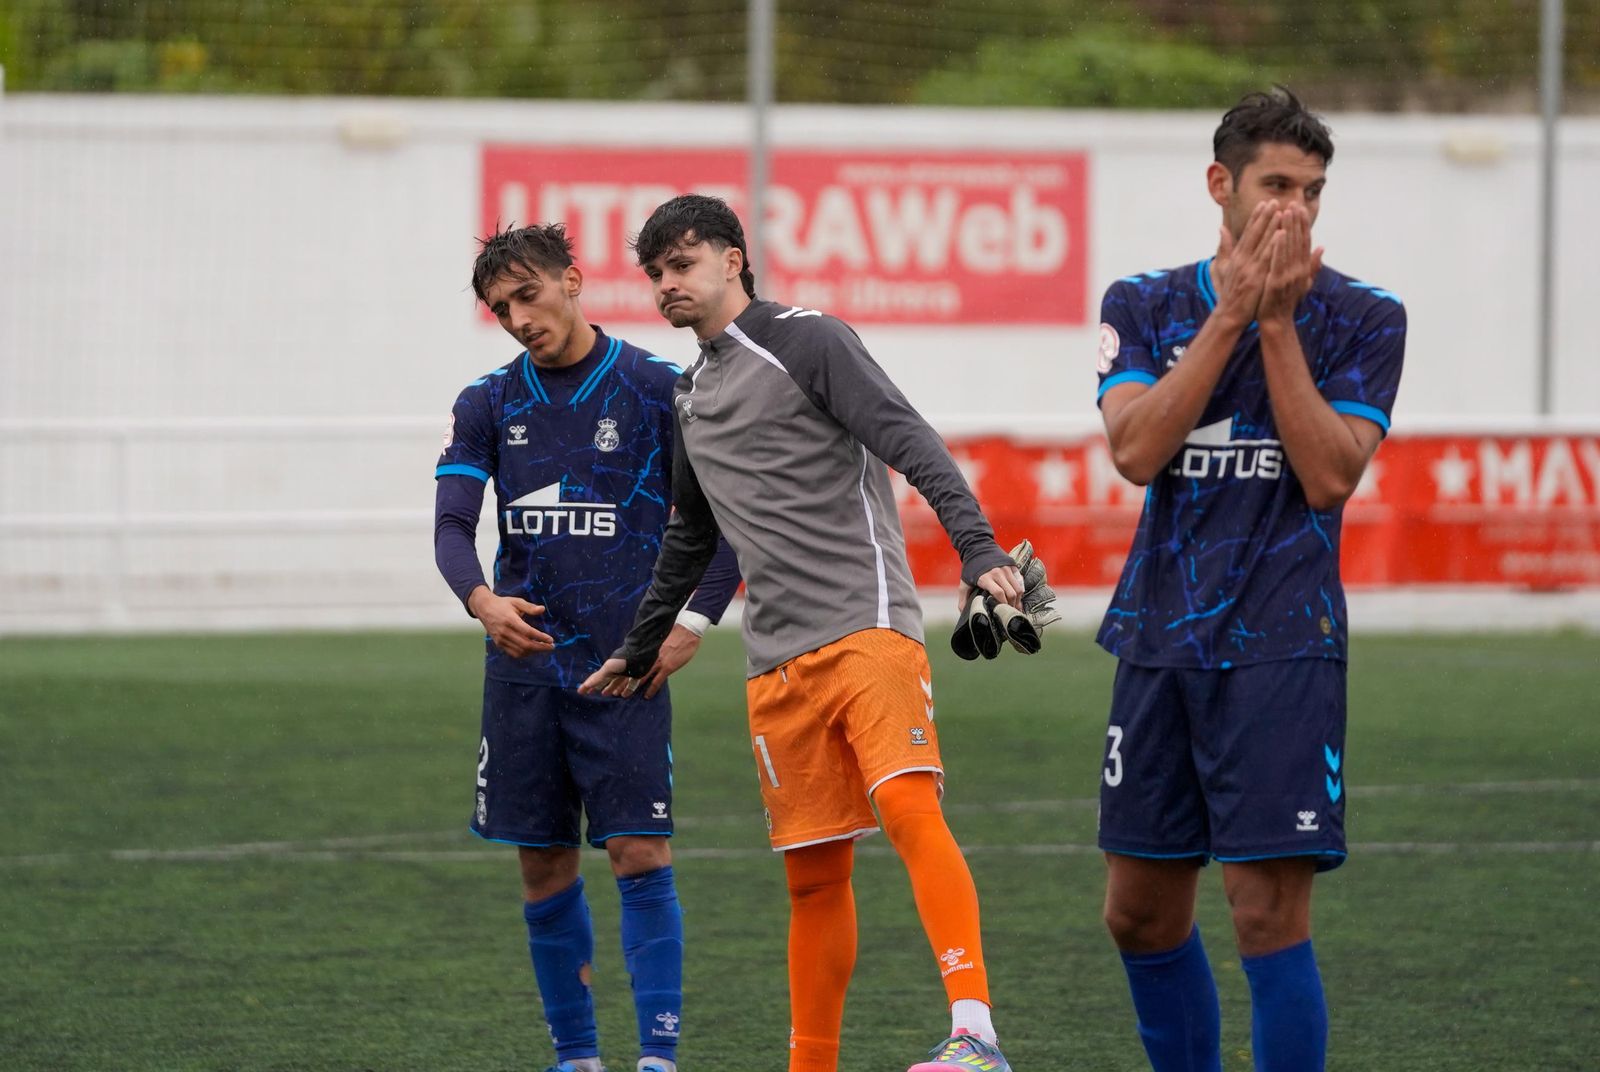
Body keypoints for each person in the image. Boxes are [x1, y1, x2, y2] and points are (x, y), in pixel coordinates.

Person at [579, 194, 1026, 1072]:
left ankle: (976, 1035)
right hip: (775, 660)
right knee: (813, 877)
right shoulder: (689, 395)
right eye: (656, 273)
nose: (669, 284)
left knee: (905, 802)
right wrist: (641, 643)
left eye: (684, 263)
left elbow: (907, 438)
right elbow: (690, 535)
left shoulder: (809, 340)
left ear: (734, 258)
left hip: (866, 622)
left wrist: (976, 545)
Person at [1093, 87, 1406, 1072]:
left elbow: (1328, 474)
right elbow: (1137, 451)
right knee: (1138, 913)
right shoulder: (1140, 302)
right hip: (1155, 640)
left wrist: (1276, 325)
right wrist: (1229, 315)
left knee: (1265, 911)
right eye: (1276, 186)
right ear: (1219, 184)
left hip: (1283, 642)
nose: (1295, 211)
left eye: (1311, 192)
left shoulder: (1363, 316)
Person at [434, 223, 740, 1072]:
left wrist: (690, 626)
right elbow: (454, 525)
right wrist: (480, 599)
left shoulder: (656, 388)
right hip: (524, 670)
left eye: (528, 294)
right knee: (542, 863)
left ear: (573, 280)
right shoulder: (488, 402)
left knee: (640, 852)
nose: (517, 317)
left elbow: (726, 527)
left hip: (623, 667)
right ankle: (576, 1058)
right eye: (501, 308)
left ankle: (657, 1058)